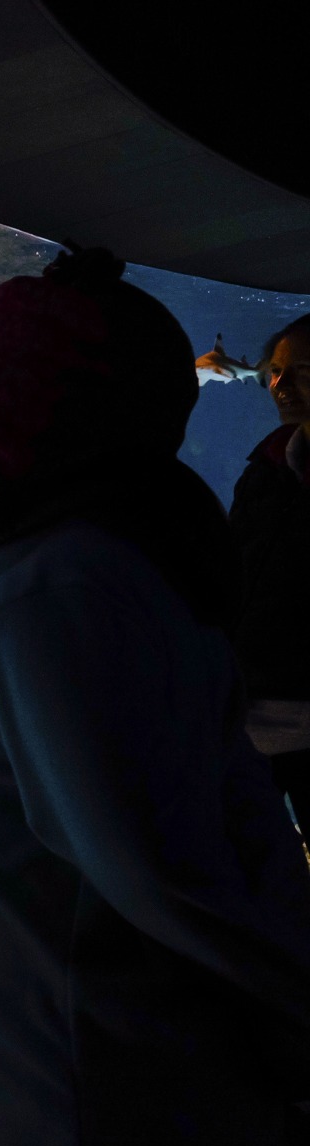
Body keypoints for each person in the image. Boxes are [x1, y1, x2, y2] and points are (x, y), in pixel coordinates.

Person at [0, 246, 310, 1146]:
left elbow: (152, 870)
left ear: (17, 430)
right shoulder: (113, 573)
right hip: (107, 1121)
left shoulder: (59, 599)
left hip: (86, 1137)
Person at [230, 312, 310, 849]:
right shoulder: (265, 467)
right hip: (253, 716)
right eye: (273, 372)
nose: (279, 386)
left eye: (300, 371)